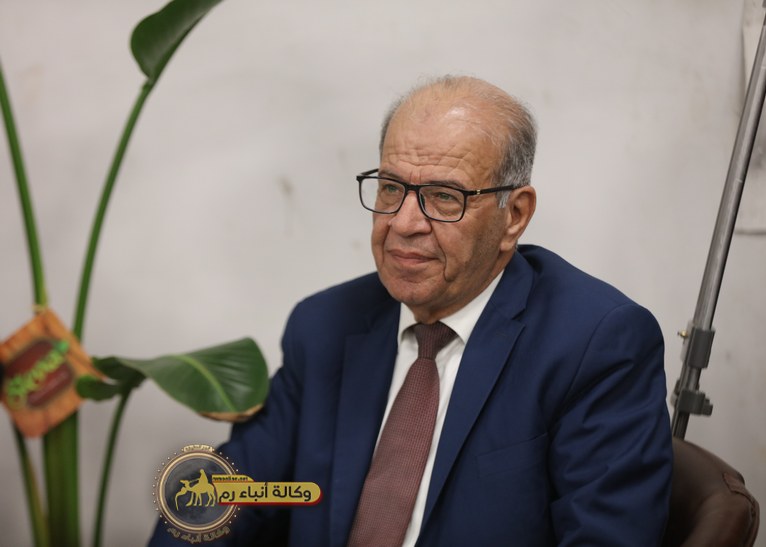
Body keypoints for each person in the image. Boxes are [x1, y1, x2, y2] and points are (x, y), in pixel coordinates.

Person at [149, 75, 672, 546]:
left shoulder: (594, 344)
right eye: (391, 188)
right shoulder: (325, 325)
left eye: (444, 197)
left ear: (514, 215)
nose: (403, 223)